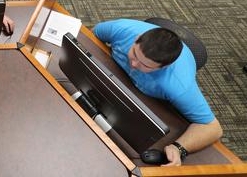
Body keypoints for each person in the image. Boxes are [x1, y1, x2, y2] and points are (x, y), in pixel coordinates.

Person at [93, 19, 222, 166]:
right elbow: (93, 35)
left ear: (164, 67)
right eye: (134, 53)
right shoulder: (122, 28)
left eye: (145, 65)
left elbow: (213, 128)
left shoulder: (179, 86)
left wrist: (179, 148)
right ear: (136, 39)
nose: (134, 64)